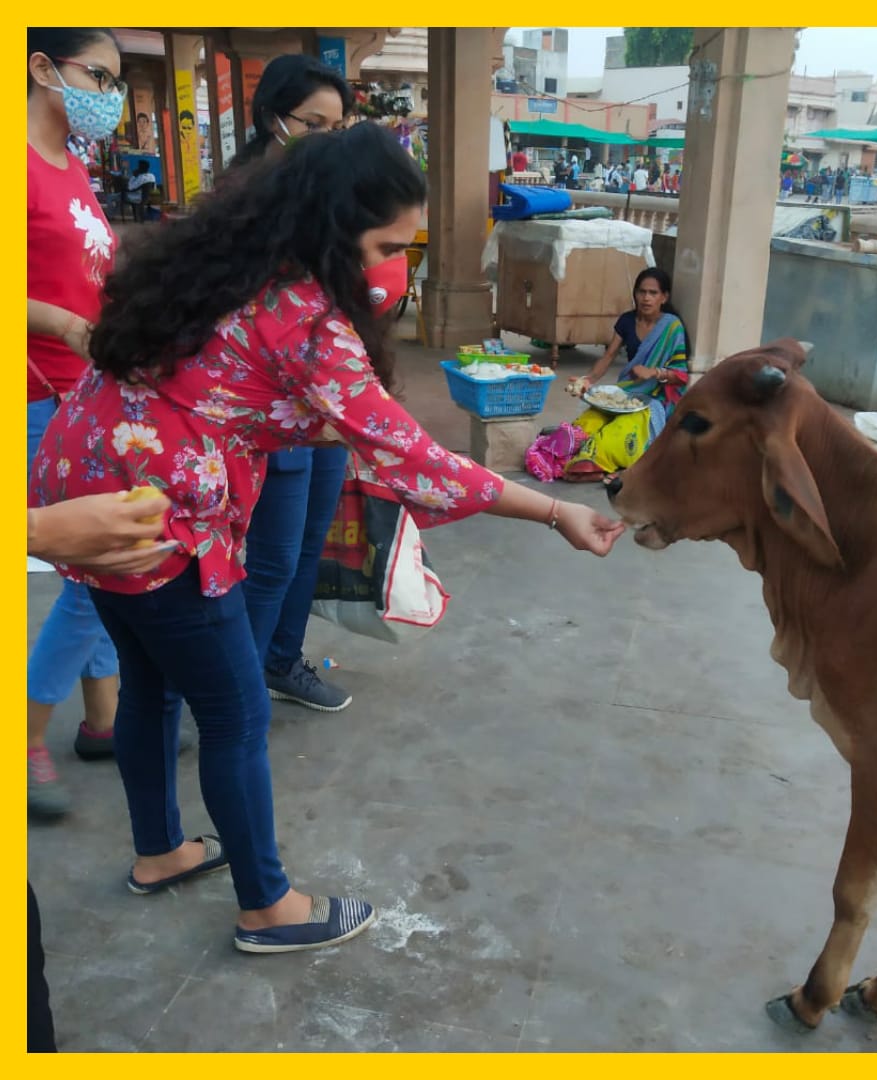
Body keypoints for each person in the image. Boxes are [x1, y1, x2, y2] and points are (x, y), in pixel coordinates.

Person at [29, 123, 624, 954]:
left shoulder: (218, 262)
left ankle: (161, 851)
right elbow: (418, 460)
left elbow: (224, 392)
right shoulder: (301, 318)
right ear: (338, 227)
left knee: (149, 684)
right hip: (157, 517)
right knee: (234, 711)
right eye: (387, 244)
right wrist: (554, 509)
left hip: (86, 478)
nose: (394, 265)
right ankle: (267, 907)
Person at [229, 54, 357, 711]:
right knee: (273, 557)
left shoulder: (328, 199)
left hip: (323, 400)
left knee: (308, 545)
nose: (330, 139)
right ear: (274, 119)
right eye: (316, 123)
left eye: (341, 126)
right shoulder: (245, 201)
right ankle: (237, 691)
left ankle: (280, 661)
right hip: (270, 405)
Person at [28, 492, 175, 1052]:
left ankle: (101, 718)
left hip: (81, 406)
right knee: (88, 587)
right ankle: (25, 735)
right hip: (44, 407)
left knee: (95, 585)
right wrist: (38, 527)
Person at [26, 27, 128, 817]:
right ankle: (22, 733)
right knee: (94, 568)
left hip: (83, 392)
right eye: (98, 75)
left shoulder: (73, 166)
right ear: (40, 67)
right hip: (34, 394)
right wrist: (61, 325)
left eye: (116, 81)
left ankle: (103, 723)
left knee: (101, 564)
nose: (109, 96)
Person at [561, 267, 690, 482]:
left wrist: (655, 372)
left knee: (622, 430)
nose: (646, 298)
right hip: (627, 392)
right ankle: (568, 453)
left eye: (653, 293)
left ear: (664, 297)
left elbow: (681, 376)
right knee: (588, 422)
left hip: (656, 398)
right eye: (641, 292)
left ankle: (597, 462)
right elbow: (609, 355)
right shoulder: (627, 321)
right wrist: (588, 380)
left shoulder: (672, 327)